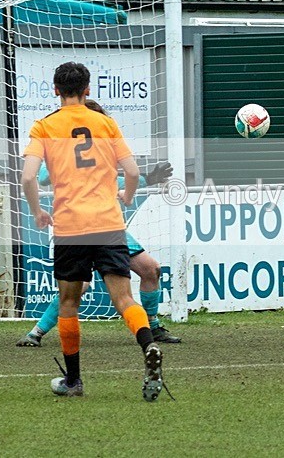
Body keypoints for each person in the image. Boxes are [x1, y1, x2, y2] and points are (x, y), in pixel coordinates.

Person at [21, 62, 164, 401]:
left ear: (55, 90)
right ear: (88, 90)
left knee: (70, 302)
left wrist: (38, 211)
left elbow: (28, 178)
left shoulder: (44, 127)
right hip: (109, 225)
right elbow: (131, 171)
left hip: (71, 227)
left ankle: (73, 381)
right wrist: (127, 197)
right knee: (124, 298)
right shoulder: (106, 123)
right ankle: (149, 344)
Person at [17, 100, 180, 347]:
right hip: (77, 225)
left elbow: (118, 180)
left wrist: (149, 178)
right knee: (79, 288)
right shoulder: (62, 143)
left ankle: (153, 327)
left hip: (109, 225)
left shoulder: (102, 148)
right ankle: (36, 333)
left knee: (150, 269)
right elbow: (40, 177)